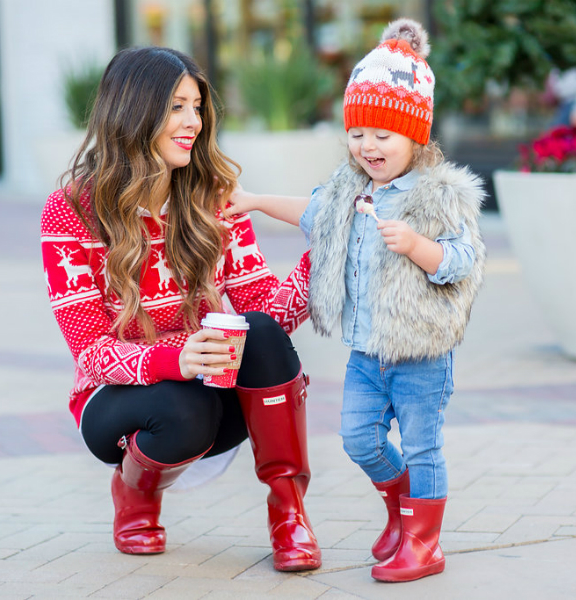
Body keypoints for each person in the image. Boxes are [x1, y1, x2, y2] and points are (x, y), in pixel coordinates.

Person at [40, 46, 321, 572]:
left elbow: (268, 315)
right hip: (119, 404)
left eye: (197, 107)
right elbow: (92, 353)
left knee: (258, 332)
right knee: (181, 407)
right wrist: (180, 358)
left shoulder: (213, 196)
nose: (193, 122)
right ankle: (135, 494)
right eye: (176, 107)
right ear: (134, 111)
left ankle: (290, 515)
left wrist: (325, 254)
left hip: (211, 388)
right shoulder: (72, 210)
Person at [225, 19, 486, 582]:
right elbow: (313, 214)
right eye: (357, 133)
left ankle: (424, 540)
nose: (367, 146)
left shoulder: (438, 195)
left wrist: (417, 246)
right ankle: (400, 510)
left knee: (421, 446)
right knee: (357, 438)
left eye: (382, 135)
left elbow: (463, 261)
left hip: (419, 353)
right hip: (368, 351)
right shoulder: (351, 189)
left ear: (416, 134)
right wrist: (253, 201)